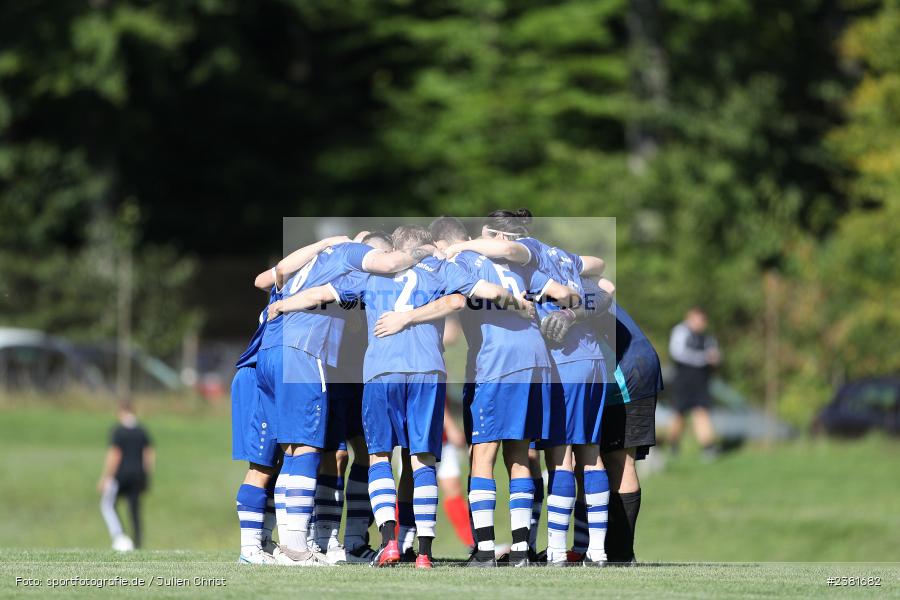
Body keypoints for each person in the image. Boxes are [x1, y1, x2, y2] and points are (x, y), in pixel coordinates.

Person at [275, 224, 532, 568]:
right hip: (428, 371)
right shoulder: (439, 268)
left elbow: (318, 294)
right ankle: (424, 552)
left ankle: (390, 543)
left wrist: (281, 306)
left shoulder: (368, 274)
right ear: (424, 246)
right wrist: (517, 302)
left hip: (381, 372)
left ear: (394, 250)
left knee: (380, 456)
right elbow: (461, 297)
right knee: (422, 459)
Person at [381, 215, 575, 567]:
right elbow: (566, 293)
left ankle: (484, 549)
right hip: (536, 360)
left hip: (497, 363)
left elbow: (485, 293)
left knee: (482, 455)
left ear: (443, 244)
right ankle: (521, 551)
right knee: (519, 455)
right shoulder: (511, 261)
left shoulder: (456, 261)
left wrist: (517, 304)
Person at [442, 209, 613, 566]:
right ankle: (544, 550)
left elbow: (472, 290)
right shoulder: (550, 257)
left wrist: (512, 300)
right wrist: (568, 309)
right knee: (530, 454)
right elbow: (589, 287)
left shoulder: (485, 256)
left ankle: (498, 551)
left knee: (490, 454)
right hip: (562, 359)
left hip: (518, 361)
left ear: (493, 236)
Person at [256, 235, 419, 566]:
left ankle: (345, 539)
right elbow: (379, 268)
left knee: (335, 450)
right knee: (314, 451)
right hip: (316, 361)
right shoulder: (354, 261)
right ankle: (310, 542)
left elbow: (266, 280)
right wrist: (429, 250)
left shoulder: (327, 263)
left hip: (349, 370)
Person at [98, 402, 154, 551]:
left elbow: (115, 455)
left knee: (108, 504)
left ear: (121, 412)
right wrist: (146, 476)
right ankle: (137, 542)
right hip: (138, 475)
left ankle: (119, 535)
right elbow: (148, 455)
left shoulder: (118, 431)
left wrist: (105, 477)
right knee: (134, 508)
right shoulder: (142, 431)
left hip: (120, 475)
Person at [668, 307, 720, 459]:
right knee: (679, 414)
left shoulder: (707, 337)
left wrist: (714, 359)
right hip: (683, 380)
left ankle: (708, 447)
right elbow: (677, 353)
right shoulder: (680, 331)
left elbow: (715, 354)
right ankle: (673, 444)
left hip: (701, 381)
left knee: (701, 412)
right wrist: (703, 358)